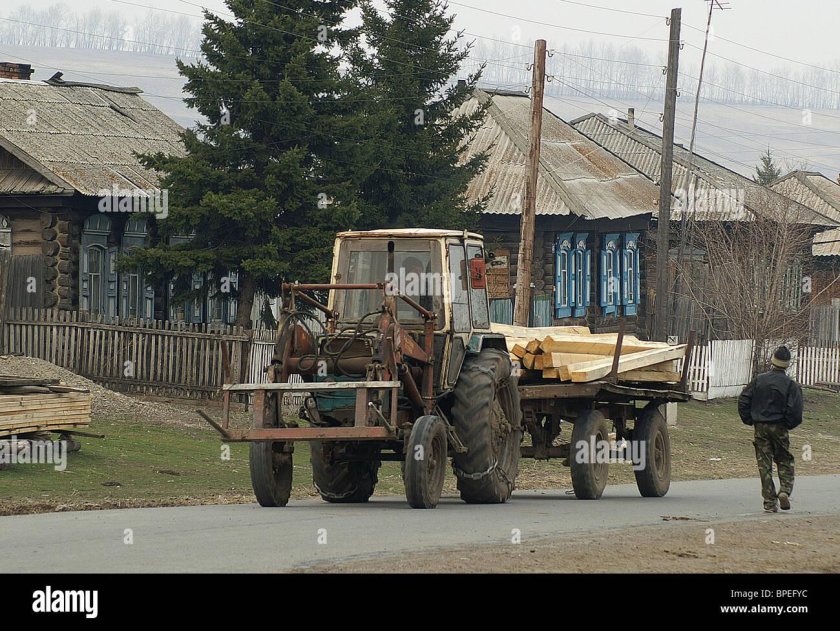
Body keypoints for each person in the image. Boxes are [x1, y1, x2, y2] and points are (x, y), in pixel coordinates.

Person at [738, 346, 803, 513]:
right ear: (787, 364)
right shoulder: (791, 385)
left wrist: (749, 419)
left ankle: (769, 502)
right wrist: (788, 424)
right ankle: (785, 490)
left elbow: (744, 399)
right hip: (779, 426)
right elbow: (796, 411)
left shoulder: (759, 380)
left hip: (760, 426)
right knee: (784, 459)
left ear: (773, 360)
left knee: (764, 463)